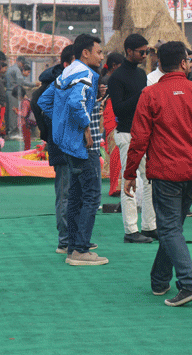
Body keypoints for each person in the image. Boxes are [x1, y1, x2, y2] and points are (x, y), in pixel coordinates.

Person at [124, 41, 192, 307]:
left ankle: (189, 283)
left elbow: (139, 138)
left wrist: (130, 172)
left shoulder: (150, 94)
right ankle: (159, 280)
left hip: (166, 172)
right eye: (188, 59)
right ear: (183, 63)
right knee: (173, 228)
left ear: (159, 63)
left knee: (169, 229)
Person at [40, 34, 107, 266]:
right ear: (85, 53)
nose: (101, 56)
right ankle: (80, 249)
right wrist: (84, 128)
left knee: (76, 195)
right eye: (99, 52)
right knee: (91, 195)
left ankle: (71, 246)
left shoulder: (65, 73)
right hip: (81, 145)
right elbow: (75, 103)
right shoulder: (85, 74)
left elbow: (45, 102)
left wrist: (62, 126)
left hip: (66, 143)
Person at [108, 34, 156, 244]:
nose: (145, 55)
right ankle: (130, 229)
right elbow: (119, 109)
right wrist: (142, 95)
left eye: (146, 52)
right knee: (129, 179)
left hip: (143, 132)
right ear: (129, 51)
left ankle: (149, 225)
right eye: (141, 52)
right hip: (126, 134)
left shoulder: (140, 74)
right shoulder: (116, 77)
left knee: (150, 179)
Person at [30, 45, 75, 255]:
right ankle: (66, 240)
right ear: (67, 64)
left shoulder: (49, 87)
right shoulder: (56, 88)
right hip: (63, 145)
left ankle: (71, 238)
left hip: (60, 143)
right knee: (66, 192)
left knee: (68, 192)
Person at [100, 52, 125, 197]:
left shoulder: (109, 78)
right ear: (115, 66)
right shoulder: (112, 78)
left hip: (112, 114)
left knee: (116, 152)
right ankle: (116, 186)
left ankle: (116, 185)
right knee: (117, 152)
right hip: (113, 114)